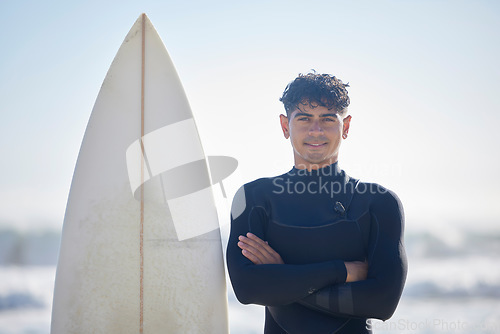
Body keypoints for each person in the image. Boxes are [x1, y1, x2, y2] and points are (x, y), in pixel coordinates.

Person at [226, 72, 408, 333]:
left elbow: (383, 302)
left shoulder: (377, 202)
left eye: (327, 119)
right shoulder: (254, 199)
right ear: (284, 125)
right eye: (304, 118)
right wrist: (341, 271)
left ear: (345, 127)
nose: (316, 130)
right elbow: (247, 288)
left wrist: (282, 277)